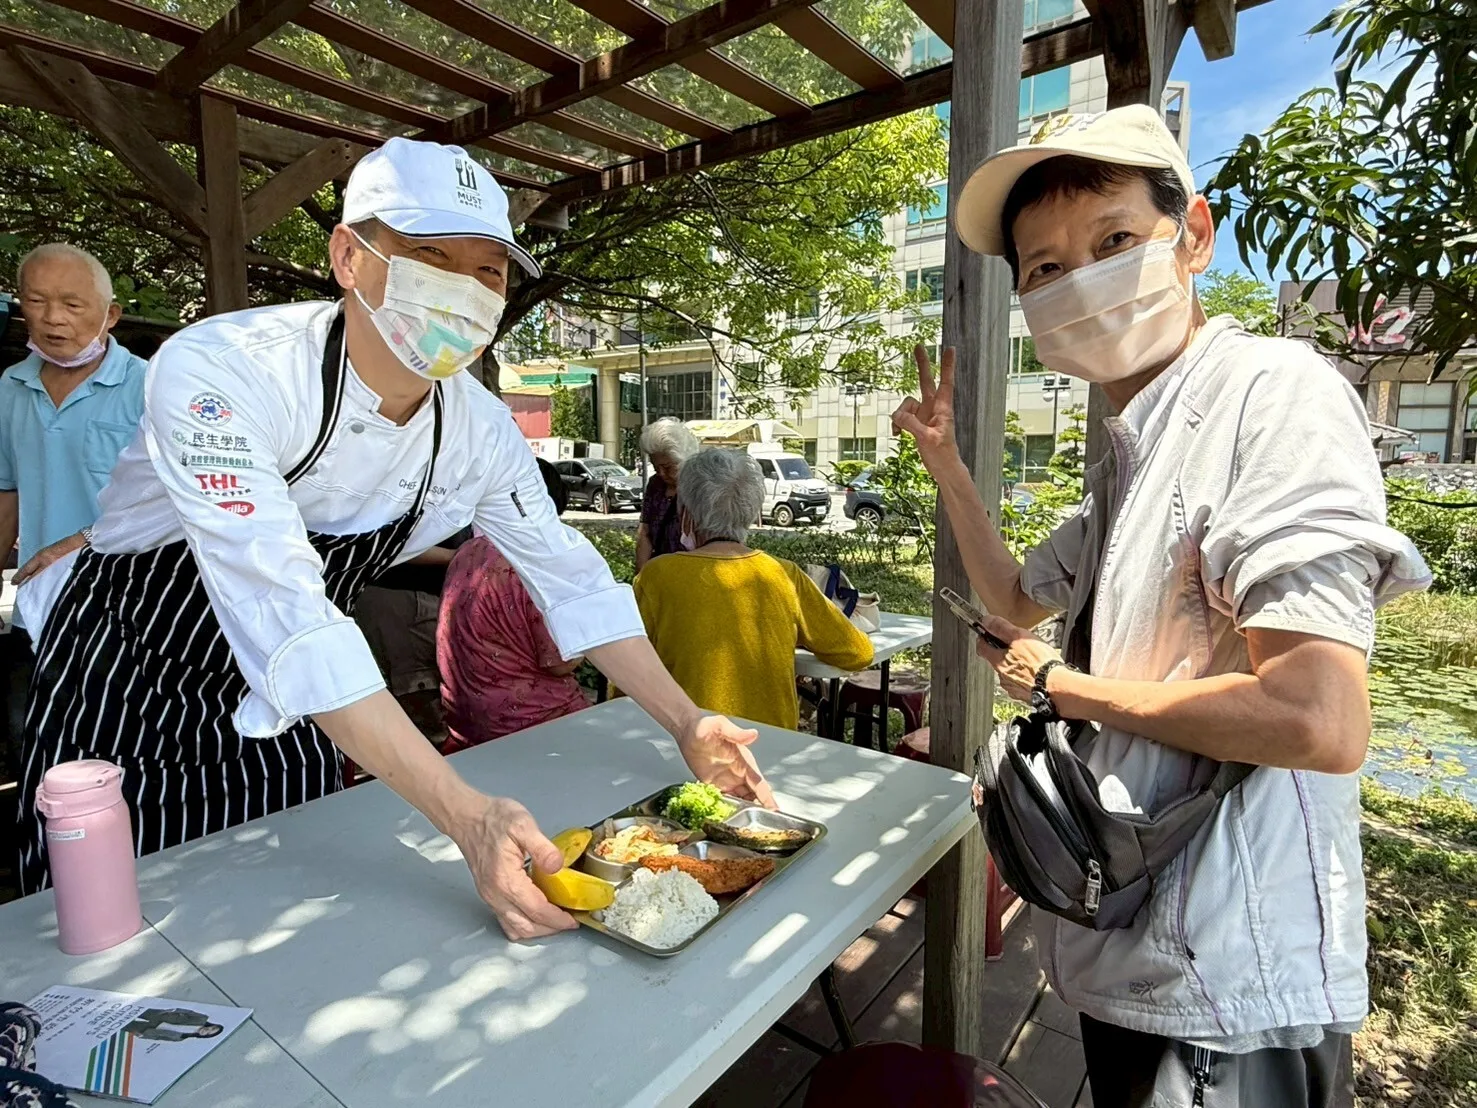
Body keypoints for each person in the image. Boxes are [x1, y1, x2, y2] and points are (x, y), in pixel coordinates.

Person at [14, 137, 773, 943]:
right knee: (104, 943)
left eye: (487, 270)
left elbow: (572, 582)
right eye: (429, 254)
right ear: (350, 255)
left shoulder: (478, 427)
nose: (461, 287)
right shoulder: (224, 368)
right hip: (130, 681)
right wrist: (463, 813)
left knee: (288, 922)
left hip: (316, 707)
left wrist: (685, 720)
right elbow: (286, 612)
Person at [894, 106, 1428, 1108]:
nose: (1077, 281)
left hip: (1228, 983)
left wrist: (1065, 687)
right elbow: (1014, 594)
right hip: (1128, 951)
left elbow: (1318, 719)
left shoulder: (1271, 395)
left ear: (1192, 236)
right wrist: (947, 465)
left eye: (1112, 242)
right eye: (1043, 268)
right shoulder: (1130, 452)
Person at [0, 244, 146, 785]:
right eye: (36, 300)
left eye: (72, 304)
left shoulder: (150, 387)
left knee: (124, 750)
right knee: (39, 749)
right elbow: (6, 491)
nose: (53, 318)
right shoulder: (11, 386)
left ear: (110, 314)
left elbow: (177, 502)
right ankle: (52, 864)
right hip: (38, 606)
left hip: (127, 606)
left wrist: (83, 541)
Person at [635, 448, 873, 730]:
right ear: (752, 512)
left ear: (686, 514)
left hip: (687, 744)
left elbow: (628, 680)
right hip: (771, 746)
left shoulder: (656, 576)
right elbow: (858, 652)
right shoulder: (784, 574)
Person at [438, 457, 589, 750]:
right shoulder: (537, 562)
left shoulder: (467, 552)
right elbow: (560, 662)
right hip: (531, 720)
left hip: (466, 717)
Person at [635, 417, 700, 572]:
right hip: (659, 570)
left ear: (684, 459)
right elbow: (645, 532)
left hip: (692, 571)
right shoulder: (655, 485)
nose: (661, 473)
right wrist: (641, 576)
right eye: (656, 467)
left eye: (668, 467)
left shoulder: (700, 486)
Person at [121, 1009, 223, 1042]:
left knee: (123, 1025)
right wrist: (172, 1010)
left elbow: (160, 1037)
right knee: (130, 1010)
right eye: (212, 1028)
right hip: (159, 1016)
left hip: (148, 1029)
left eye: (210, 1033)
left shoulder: (182, 1037)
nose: (208, 1029)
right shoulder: (201, 1019)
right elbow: (188, 1011)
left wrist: (142, 1036)